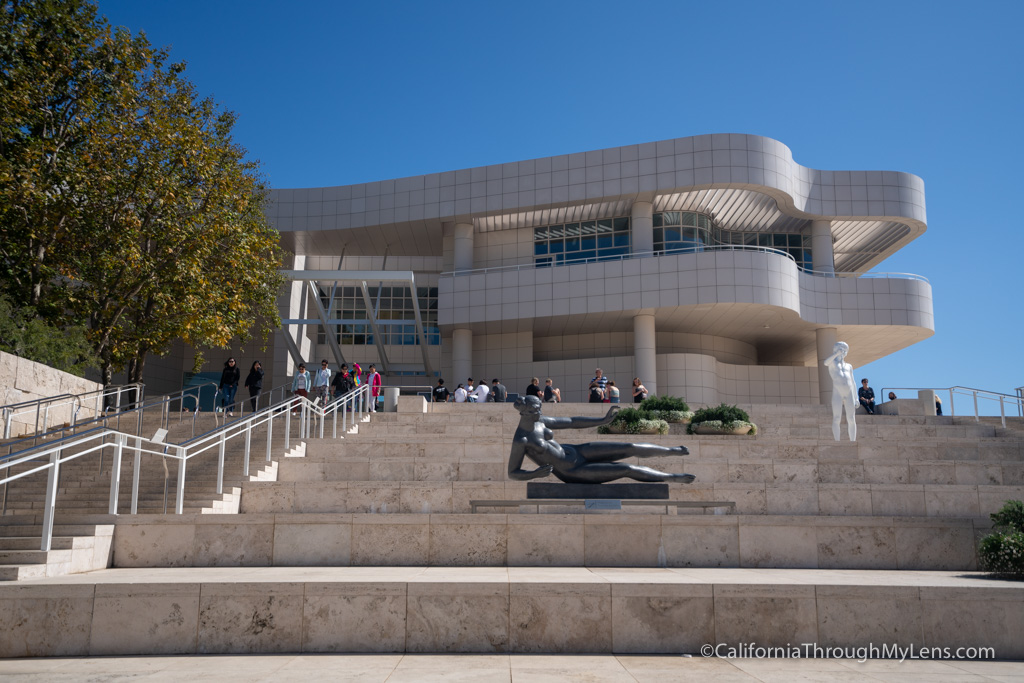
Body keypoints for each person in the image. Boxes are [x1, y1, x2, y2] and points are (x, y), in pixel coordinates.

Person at [507, 396, 695, 484]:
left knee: (629, 447)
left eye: (539, 408)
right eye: (533, 411)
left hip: (577, 451)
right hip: (572, 471)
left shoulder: (540, 420)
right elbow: (513, 473)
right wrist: (535, 474)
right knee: (626, 469)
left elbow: (572, 422)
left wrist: (602, 421)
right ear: (523, 412)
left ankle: (671, 451)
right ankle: (672, 478)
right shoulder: (521, 440)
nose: (538, 413)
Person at [823, 341, 857, 441]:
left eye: (844, 350)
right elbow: (825, 362)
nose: (843, 352)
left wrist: (856, 398)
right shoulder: (832, 363)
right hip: (837, 392)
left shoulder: (849, 366)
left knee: (851, 418)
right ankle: (837, 441)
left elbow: (853, 381)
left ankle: (853, 441)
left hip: (849, 391)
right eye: (841, 349)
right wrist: (836, 354)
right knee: (837, 417)